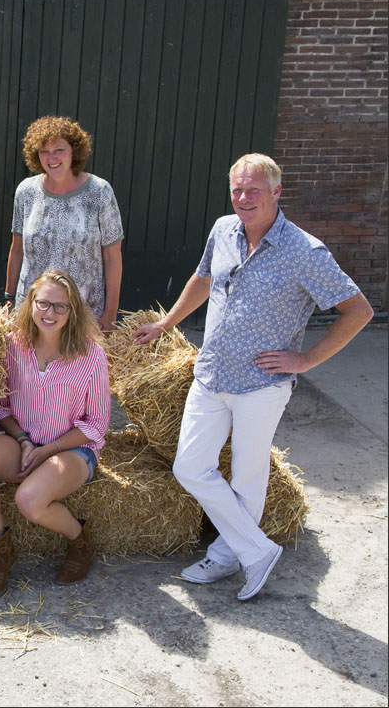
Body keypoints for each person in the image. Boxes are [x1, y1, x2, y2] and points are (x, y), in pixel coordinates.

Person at [134, 153, 372, 601]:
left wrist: (305, 360)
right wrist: (168, 324)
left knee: (247, 476)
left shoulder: (305, 251)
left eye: (254, 190)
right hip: (211, 372)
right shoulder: (223, 229)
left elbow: (358, 311)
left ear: (277, 192)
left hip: (262, 384)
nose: (244, 198)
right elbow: (203, 279)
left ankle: (229, 557)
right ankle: (257, 550)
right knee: (190, 466)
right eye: (238, 189)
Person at [0, 270, 110, 598]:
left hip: (73, 450)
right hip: (25, 445)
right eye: (43, 303)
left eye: (61, 307)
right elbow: (0, 407)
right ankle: (2, 550)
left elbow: (96, 423)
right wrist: (23, 440)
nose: (50, 313)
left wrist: (50, 448)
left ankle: (80, 541)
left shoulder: (91, 355)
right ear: (30, 303)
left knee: (28, 500)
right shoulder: (12, 345)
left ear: (73, 312)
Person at [5, 116, 124, 331]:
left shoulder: (99, 192)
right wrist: (9, 299)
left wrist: (110, 312)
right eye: (44, 151)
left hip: (83, 313)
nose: (51, 158)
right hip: (33, 311)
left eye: (59, 150)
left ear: (74, 151)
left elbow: (112, 256)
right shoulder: (26, 191)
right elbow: (17, 251)